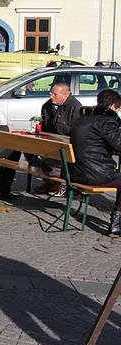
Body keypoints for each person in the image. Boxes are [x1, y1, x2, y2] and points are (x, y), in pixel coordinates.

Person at [69, 89, 121, 236]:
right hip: (96, 175)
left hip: (76, 174)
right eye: (118, 108)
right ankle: (117, 223)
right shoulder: (107, 121)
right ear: (113, 106)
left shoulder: (81, 120)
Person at [34, 82, 82, 196]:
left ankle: (59, 182)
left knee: (59, 157)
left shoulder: (75, 107)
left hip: (67, 145)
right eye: (51, 93)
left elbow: (77, 133)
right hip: (52, 142)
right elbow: (45, 126)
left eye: (54, 94)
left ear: (65, 95)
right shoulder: (47, 105)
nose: (51, 96)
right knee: (30, 150)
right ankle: (50, 179)